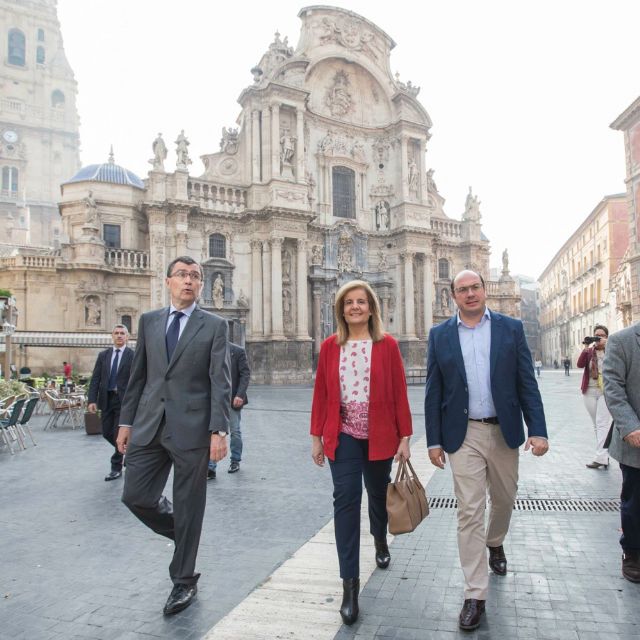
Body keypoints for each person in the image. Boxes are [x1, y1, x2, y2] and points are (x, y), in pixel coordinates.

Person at [425, 270, 548, 631]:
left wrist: (537, 430)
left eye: (475, 287)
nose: (470, 294)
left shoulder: (511, 328)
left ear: (484, 290)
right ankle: (474, 594)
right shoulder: (440, 334)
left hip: (504, 430)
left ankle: (495, 542)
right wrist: (434, 440)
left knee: (505, 499)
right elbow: (434, 391)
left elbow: (527, 381)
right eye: (462, 290)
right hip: (463, 435)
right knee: (469, 511)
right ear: (453, 295)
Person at [117, 256, 231, 616]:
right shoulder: (149, 321)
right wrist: (125, 422)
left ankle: (183, 581)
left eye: (195, 276)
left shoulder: (214, 326)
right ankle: (183, 534)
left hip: (193, 429)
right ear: (167, 281)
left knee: (189, 504)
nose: (189, 281)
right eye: (182, 275)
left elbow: (220, 381)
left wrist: (219, 430)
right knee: (135, 496)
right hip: (149, 425)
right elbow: (138, 377)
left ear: (201, 285)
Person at [310, 279, 412, 627]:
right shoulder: (329, 347)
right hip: (343, 435)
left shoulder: (387, 345)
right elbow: (322, 394)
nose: (355, 307)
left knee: (378, 495)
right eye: (348, 302)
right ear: (341, 310)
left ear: (371, 308)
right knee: (346, 501)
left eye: (361, 302)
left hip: (381, 433)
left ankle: (380, 537)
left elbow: (399, 392)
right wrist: (316, 438)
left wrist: (405, 437)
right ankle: (349, 586)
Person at [603, 322, 640, 583]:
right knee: (635, 502)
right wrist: (630, 427)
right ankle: (633, 552)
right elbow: (613, 388)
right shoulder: (622, 341)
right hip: (636, 439)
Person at [87, 324, 134, 481]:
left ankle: (116, 465)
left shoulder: (132, 355)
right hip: (106, 399)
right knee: (107, 432)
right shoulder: (103, 356)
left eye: (122, 333)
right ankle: (128, 453)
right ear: (112, 336)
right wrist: (92, 399)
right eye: (116, 333)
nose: (119, 335)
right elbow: (96, 378)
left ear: (127, 337)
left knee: (117, 433)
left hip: (124, 401)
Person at [208, 342, 250, 479]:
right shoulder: (209, 350)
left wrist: (240, 395)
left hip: (232, 399)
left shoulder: (237, 351)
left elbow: (245, 374)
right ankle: (211, 467)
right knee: (213, 432)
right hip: (214, 400)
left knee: (235, 431)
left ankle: (235, 461)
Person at [577, 325, 612, 469]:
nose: (598, 337)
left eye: (602, 335)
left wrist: (608, 345)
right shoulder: (590, 351)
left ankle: (600, 457)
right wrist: (586, 347)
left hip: (606, 391)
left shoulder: (611, 349)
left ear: (607, 337)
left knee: (602, 423)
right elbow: (579, 364)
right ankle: (604, 455)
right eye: (596, 335)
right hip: (589, 391)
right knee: (597, 425)